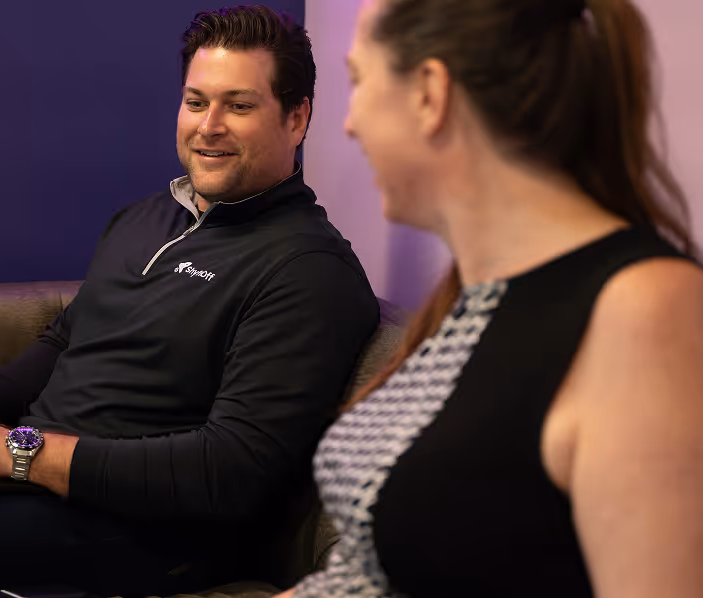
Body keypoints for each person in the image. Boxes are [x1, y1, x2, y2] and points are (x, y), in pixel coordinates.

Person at [0, 6, 379, 597]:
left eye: (238, 106)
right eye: (195, 101)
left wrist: (10, 451)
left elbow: (229, 471)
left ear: (296, 118)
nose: (208, 126)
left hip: (140, 531)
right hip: (35, 479)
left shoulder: (308, 270)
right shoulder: (147, 218)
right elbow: (66, 339)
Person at [281, 0, 703, 596]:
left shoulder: (644, 311)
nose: (348, 123)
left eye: (358, 81)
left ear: (429, 95)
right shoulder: (471, 297)